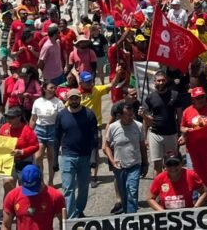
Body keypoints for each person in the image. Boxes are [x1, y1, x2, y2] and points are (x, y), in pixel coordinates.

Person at [54, 89, 98, 219]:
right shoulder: (61, 115)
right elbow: (56, 138)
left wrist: (93, 156)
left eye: (76, 98)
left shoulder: (89, 114)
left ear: (80, 99)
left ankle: (79, 210)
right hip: (67, 155)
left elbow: (94, 137)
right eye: (71, 98)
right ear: (67, 99)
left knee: (83, 188)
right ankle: (72, 218)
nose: (74, 101)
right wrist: (55, 160)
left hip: (84, 156)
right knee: (68, 188)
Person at [103, 103, 147, 213]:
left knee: (132, 191)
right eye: (128, 115)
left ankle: (132, 217)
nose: (131, 117)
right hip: (119, 166)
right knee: (124, 195)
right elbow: (106, 146)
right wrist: (112, 161)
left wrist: (145, 163)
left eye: (132, 115)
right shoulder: (113, 127)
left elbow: (142, 146)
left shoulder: (139, 126)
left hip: (135, 165)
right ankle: (127, 216)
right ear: (119, 116)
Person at [1, 165, 65, 230]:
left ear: (41, 180)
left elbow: (63, 222)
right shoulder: (12, 196)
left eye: (33, 188)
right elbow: (6, 225)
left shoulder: (55, 196)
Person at [142, 70, 181, 175]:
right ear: (154, 82)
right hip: (155, 134)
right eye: (158, 81)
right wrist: (145, 137)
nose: (161, 83)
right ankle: (159, 190)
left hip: (171, 134)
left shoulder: (175, 94)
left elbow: (180, 116)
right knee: (157, 166)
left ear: (166, 80)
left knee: (171, 164)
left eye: (163, 80)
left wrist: (181, 134)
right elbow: (146, 120)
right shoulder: (150, 98)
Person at [0, 107, 40, 199]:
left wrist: (22, 151)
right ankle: (7, 210)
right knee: (7, 185)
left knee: (24, 187)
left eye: (12, 118)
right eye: (8, 117)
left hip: (24, 161)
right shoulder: (4, 128)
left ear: (19, 117)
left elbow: (35, 146)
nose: (9, 120)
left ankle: (23, 207)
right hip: (8, 161)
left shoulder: (27, 130)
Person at [30, 82, 64, 186]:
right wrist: (29, 131)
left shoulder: (58, 103)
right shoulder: (37, 102)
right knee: (38, 156)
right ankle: (41, 181)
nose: (54, 89)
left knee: (51, 158)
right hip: (39, 130)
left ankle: (50, 182)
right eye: (51, 88)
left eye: (55, 88)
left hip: (53, 130)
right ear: (44, 89)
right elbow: (33, 118)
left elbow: (62, 119)